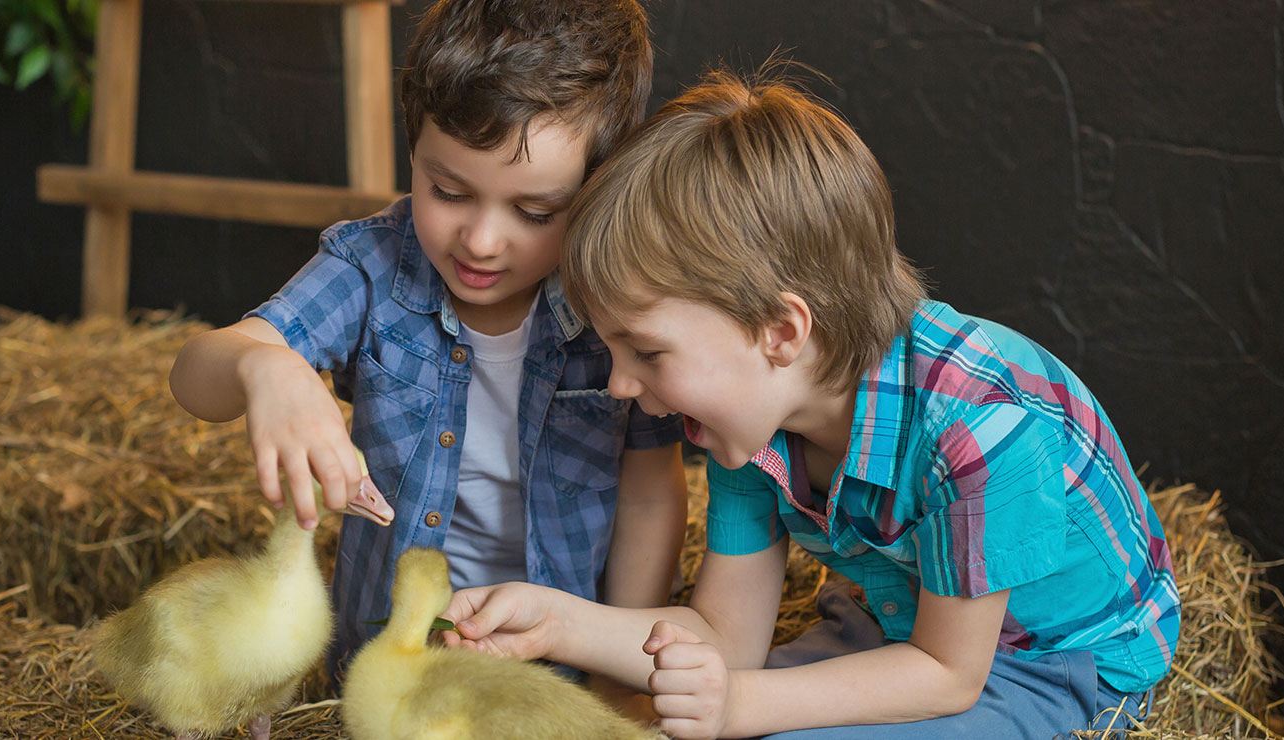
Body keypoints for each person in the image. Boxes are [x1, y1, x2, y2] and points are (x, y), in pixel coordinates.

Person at [440, 68, 1181, 740]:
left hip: (1046, 660)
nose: (621, 386)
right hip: (901, 624)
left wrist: (736, 705)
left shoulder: (981, 425)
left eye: (647, 353)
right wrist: (555, 623)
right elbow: (725, 638)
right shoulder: (750, 426)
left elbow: (947, 675)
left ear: (781, 331)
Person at [167, 0, 687, 686]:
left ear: (599, 188)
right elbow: (195, 374)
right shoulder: (373, 267)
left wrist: (624, 687)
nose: (480, 241)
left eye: (534, 212)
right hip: (385, 673)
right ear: (411, 152)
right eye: (447, 191)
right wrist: (265, 367)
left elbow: (652, 495)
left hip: (558, 677)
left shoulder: (617, 298)